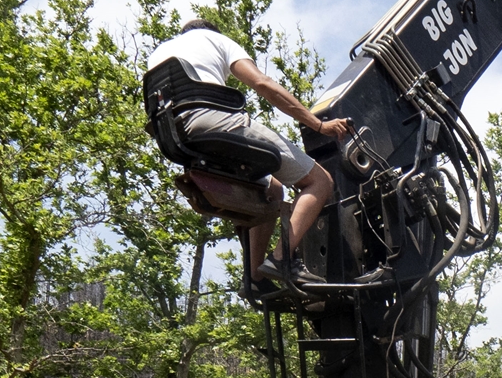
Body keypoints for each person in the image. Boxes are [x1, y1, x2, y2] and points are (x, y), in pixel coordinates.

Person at [144, 19, 351, 284]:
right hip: (213, 120)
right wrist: (318, 125)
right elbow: (262, 83)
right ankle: (282, 260)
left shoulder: (160, 54)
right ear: (211, 31)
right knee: (319, 181)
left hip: (179, 134)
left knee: (273, 188)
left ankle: (254, 276)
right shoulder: (217, 40)